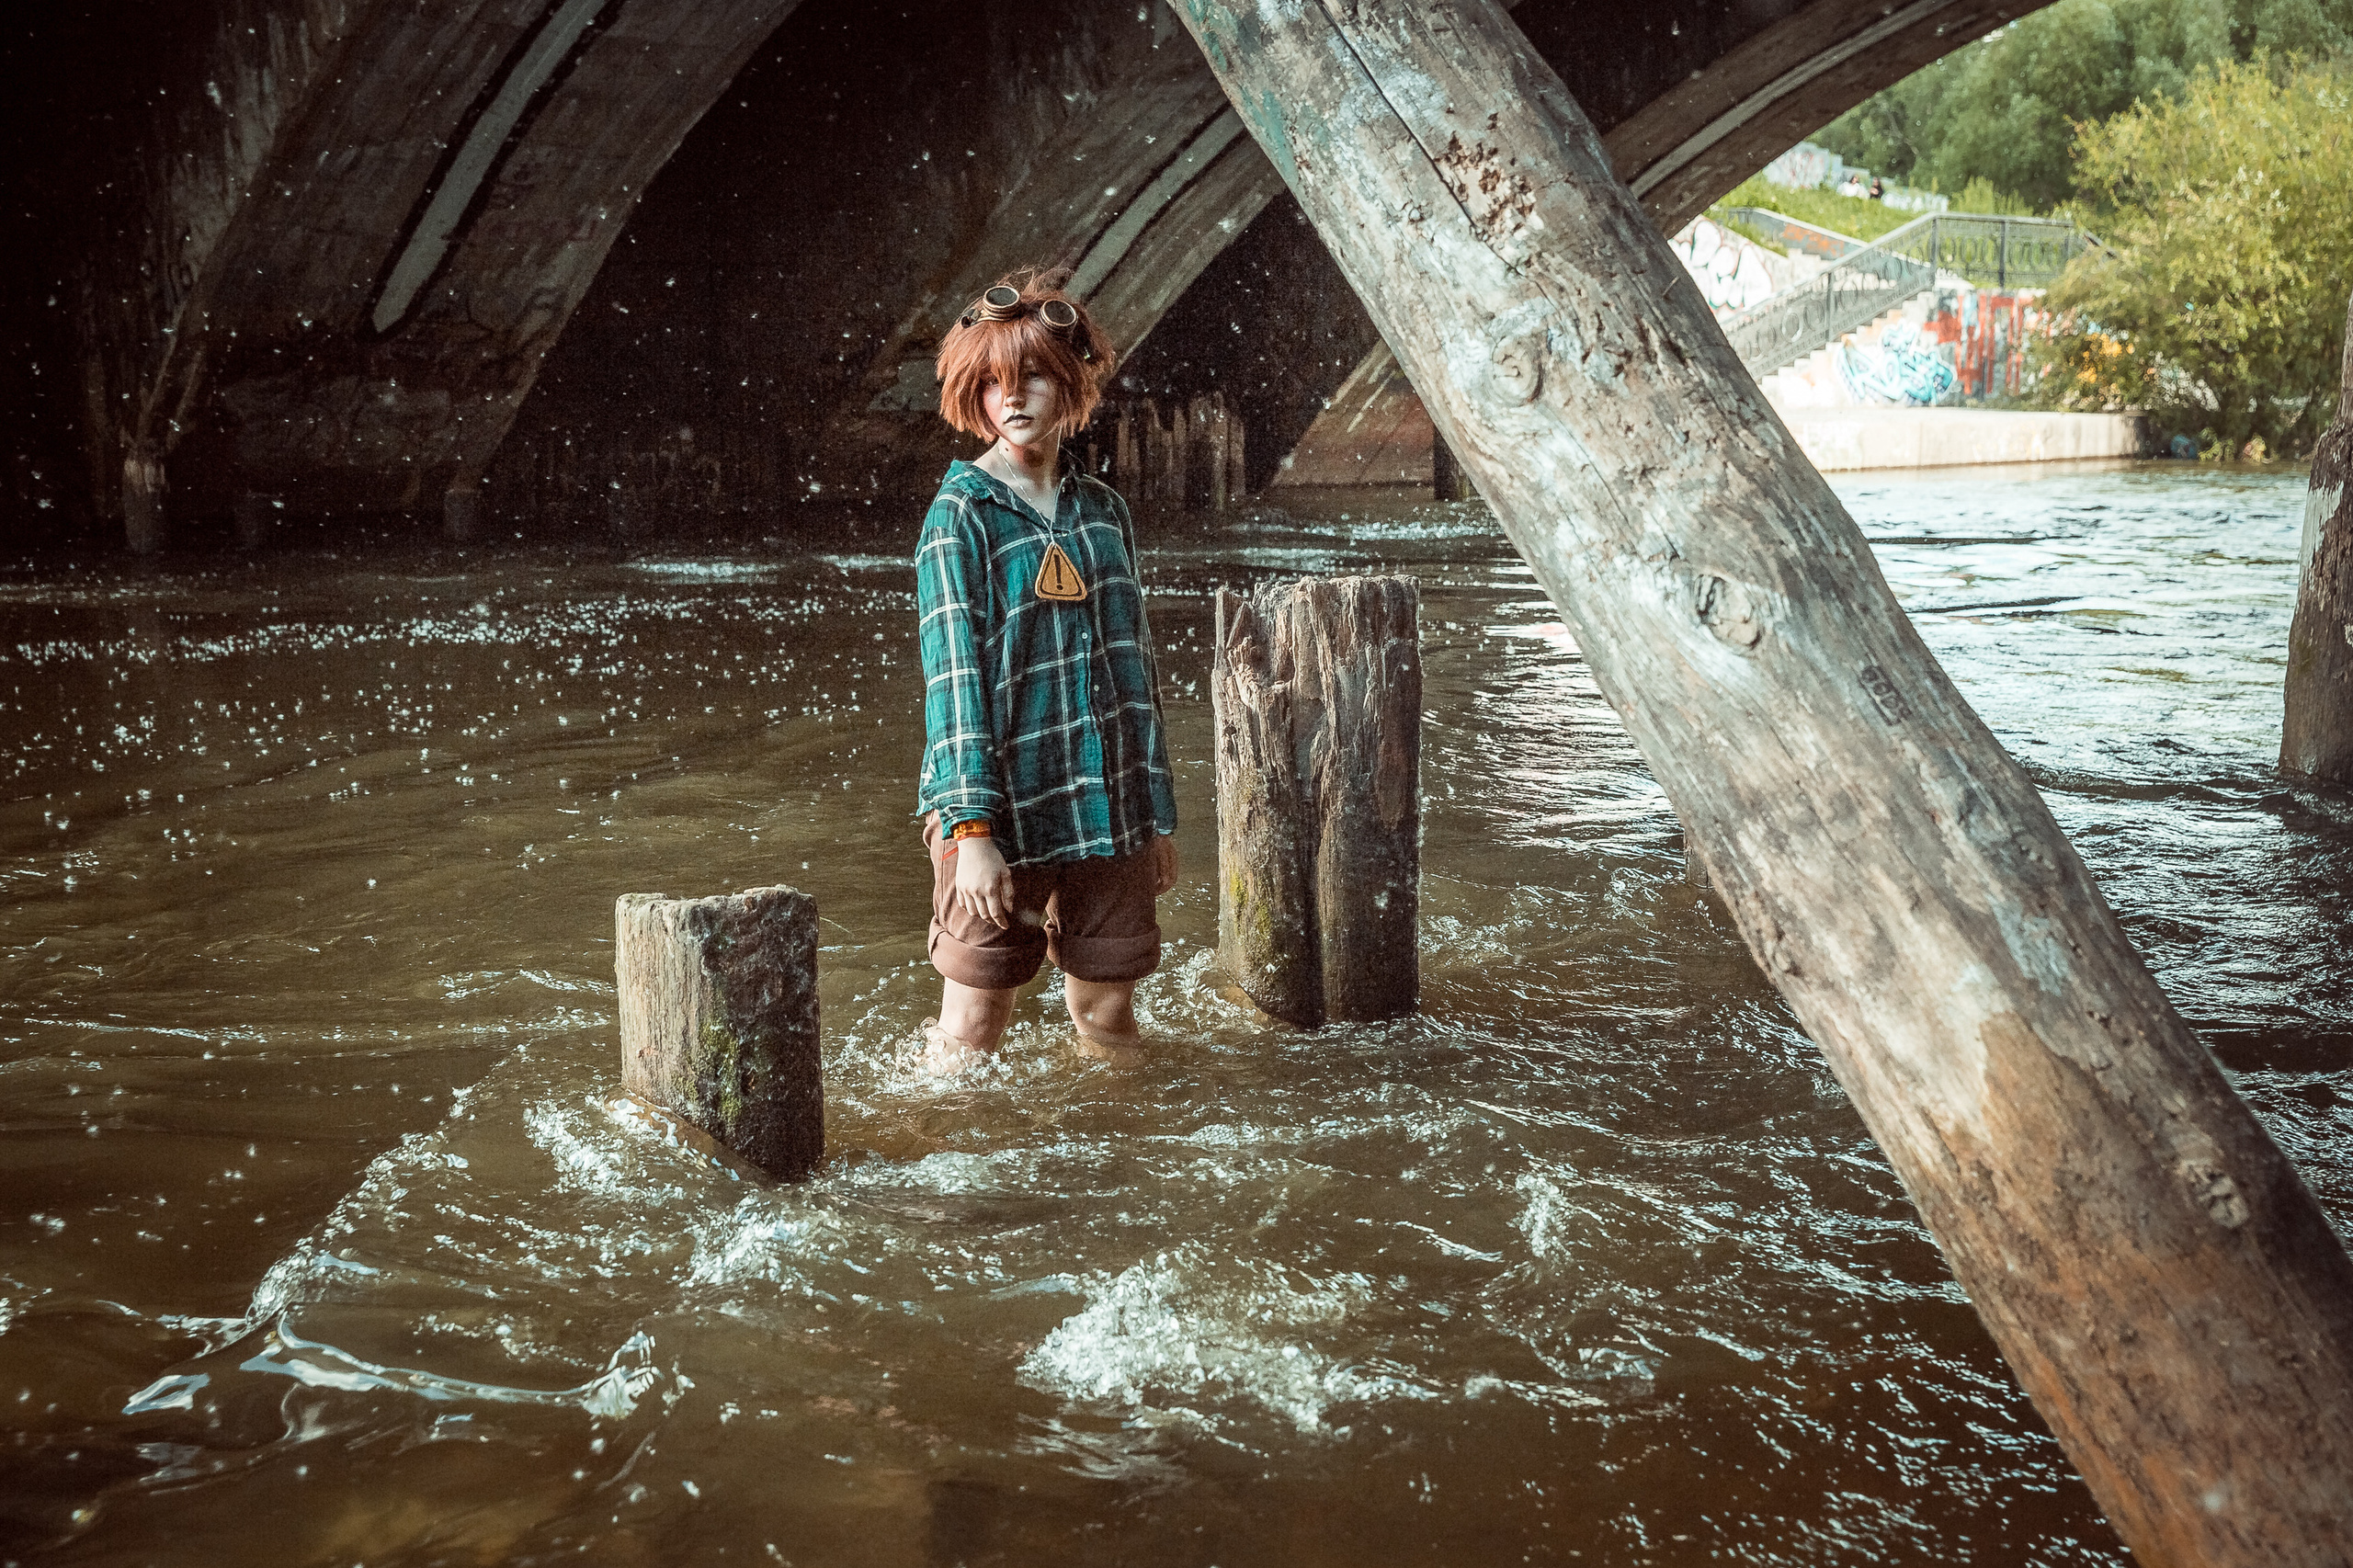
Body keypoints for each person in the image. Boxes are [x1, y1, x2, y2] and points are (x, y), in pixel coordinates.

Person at [911, 270, 1179, 1075]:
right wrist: (971, 833)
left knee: (1108, 1008)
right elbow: (953, 684)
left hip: (1109, 803)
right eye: (989, 384)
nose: (1011, 398)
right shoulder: (960, 515)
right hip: (1004, 808)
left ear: (1068, 384)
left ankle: (1122, 1171)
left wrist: (1156, 812)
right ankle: (949, 1180)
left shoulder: (1104, 511)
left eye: (1029, 375)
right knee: (975, 1018)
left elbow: (1135, 671)